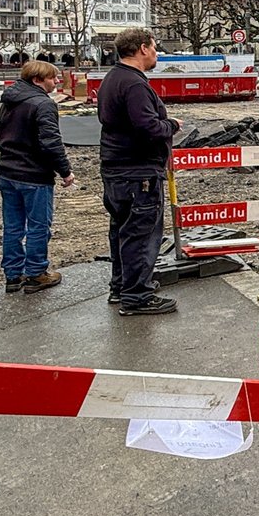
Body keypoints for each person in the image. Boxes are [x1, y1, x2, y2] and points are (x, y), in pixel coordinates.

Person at [97, 27, 181, 315]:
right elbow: (147, 127)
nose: (157, 53)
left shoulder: (113, 79)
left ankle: (121, 288)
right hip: (138, 173)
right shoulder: (134, 84)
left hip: (117, 169)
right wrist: (171, 126)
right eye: (155, 47)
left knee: (121, 230)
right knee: (141, 235)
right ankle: (137, 296)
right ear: (143, 48)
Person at [0, 61, 74, 294]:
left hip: (7, 170)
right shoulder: (43, 104)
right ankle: (36, 274)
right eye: (52, 78)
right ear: (38, 80)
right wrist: (65, 171)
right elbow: (51, 142)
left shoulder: (10, 101)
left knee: (13, 227)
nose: (57, 81)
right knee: (39, 227)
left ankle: (13, 275)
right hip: (33, 174)